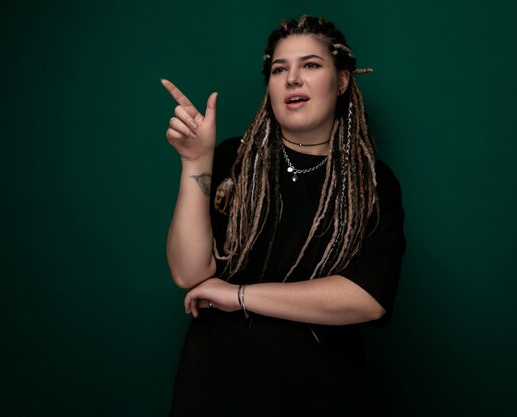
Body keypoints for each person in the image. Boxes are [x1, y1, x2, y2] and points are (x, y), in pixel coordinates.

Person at [161, 14, 405, 417]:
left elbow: (367, 299)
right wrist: (195, 161)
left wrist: (239, 295)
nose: (292, 78)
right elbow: (189, 274)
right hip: (215, 384)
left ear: (342, 80)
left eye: (310, 65)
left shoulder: (372, 182)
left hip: (316, 389)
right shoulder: (233, 159)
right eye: (279, 69)